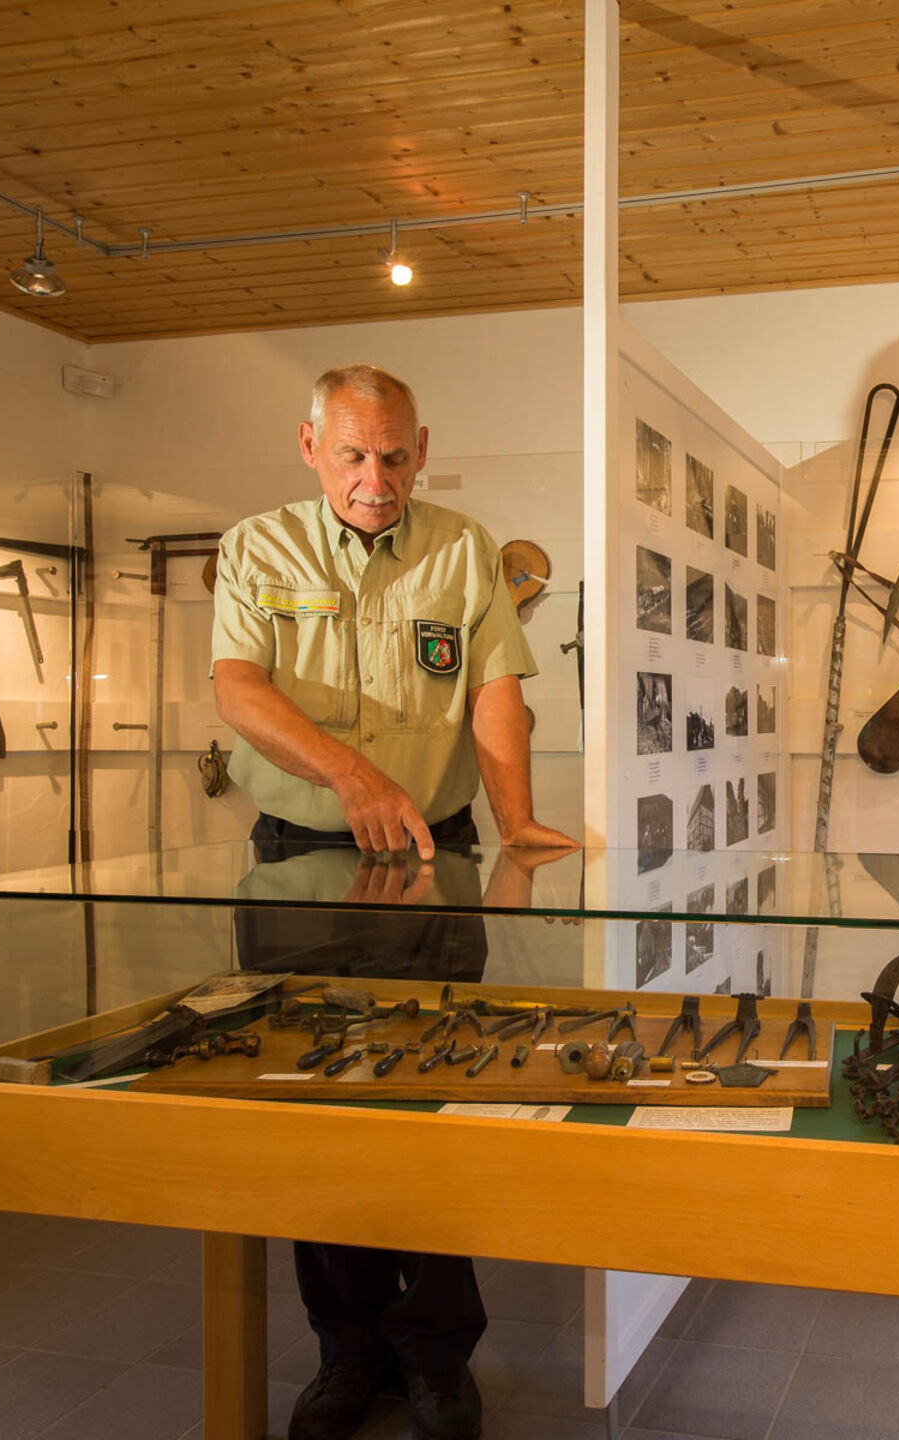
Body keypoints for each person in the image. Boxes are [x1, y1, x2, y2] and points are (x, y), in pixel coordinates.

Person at [211, 364, 578, 1440]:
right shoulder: (257, 547)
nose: (376, 479)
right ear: (311, 445)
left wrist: (517, 823)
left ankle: (436, 1355)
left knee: (430, 1106)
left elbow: (495, 692)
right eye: (354, 455)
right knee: (314, 1120)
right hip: (296, 867)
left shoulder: (463, 546)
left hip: (433, 863)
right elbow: (238, 688)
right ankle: (347, 1348)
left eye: (395, 455)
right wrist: (350, 775)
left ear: (421, 449)